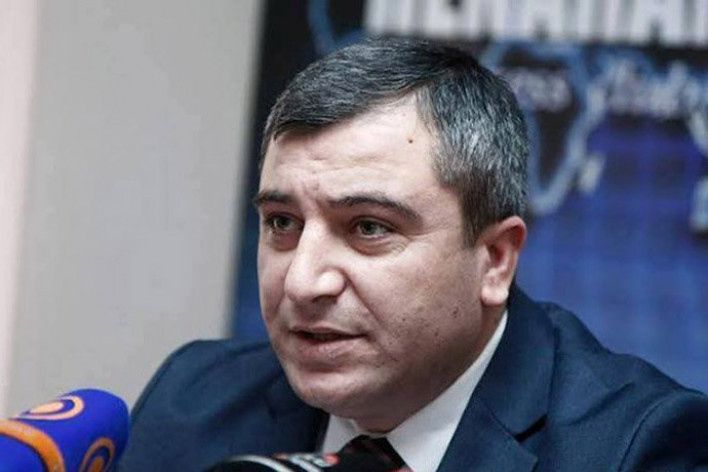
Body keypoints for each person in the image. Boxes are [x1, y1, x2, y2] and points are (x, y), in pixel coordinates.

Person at [118, 38, 708, 471]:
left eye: (368, 227)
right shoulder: (191, 398)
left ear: (495, 259)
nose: (301, 282)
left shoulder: (639, 448)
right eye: (282, 222)